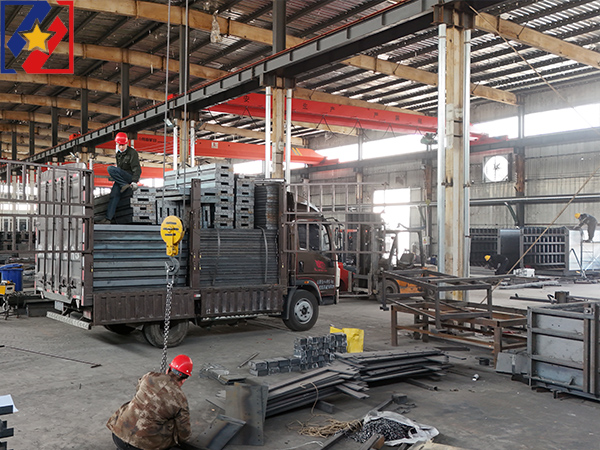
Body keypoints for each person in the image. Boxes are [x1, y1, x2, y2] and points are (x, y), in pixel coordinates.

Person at [107, 355, 195, 450]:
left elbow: (138, 388)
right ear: (184, 379)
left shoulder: (150, 376)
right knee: (173, 425)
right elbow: (184, 434)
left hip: (118, 435)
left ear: (168, 370)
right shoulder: (181, 400)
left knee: (134, 404)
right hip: (141, 447)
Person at [97, 132, 141, 224]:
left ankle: (124, 185)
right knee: (114, 195)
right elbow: (120, 169)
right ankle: (108, 219)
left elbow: (137, 169)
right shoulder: (118, 154)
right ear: (117, 144)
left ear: (127, 143)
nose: (121, 147)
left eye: (123, 145)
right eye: (119, 145)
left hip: (129, 177)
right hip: (122, 178)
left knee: (110, 169)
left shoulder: (132, 153)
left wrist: (134, 181)